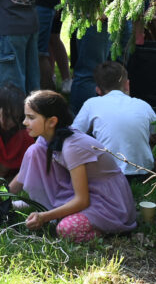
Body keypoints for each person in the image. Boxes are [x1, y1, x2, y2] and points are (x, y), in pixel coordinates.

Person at [8, 90, 137, 242]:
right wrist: (1, 195)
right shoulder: (47, 137)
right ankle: (51, 207)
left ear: (52, 122)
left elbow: (82, 200)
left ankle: (104, 228)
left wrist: (44, 217)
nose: (24, 122)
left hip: (107, 200)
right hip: (83, 190)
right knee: (34, 151)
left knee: (65, 229)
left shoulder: (73, 147)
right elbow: (24, 172)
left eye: (31, 117)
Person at [72, 62, 156, 178]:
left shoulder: (91, 104)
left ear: (98, 90)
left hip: (107, 173)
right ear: (127, 85)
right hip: (145, 172)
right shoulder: (144, 105)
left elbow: (73, 135)